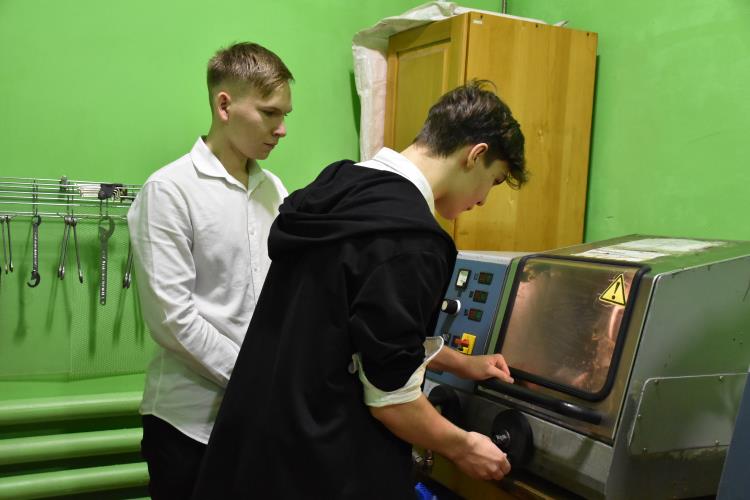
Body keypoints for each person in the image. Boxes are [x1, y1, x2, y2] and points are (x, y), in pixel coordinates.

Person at [192, 80, 527, 499]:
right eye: (493, 181)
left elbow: (351, 324)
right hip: (322, 464)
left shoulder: (338, 186)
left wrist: (461, 364)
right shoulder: (413, 239)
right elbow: (392, 399)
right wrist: (463, 446)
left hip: (259, 442)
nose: (482, 201)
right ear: (475, 155)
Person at [127, 42, 293, 500]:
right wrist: (254, 378)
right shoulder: (169, 190)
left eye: (285, 116)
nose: (281, 129)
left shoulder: (274, 189)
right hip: (187, 426)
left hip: (256, 418)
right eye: (269, 113)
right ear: (224, 105)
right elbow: (172, 318)